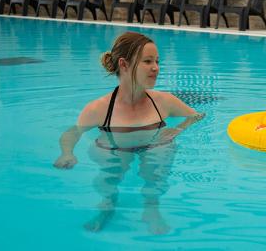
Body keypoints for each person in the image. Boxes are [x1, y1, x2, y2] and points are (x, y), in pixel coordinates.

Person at [53, 31, 204, 233]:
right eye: (147, 61)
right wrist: (67, 153)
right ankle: (108, 203)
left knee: (160, 153)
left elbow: (197, 116)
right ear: (124, 65)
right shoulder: (99, 108)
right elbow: (73, 133)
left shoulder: (163, 101)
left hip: (153, 146)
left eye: (157, 61)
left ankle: (151, 209)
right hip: (116, 147)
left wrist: (176, 130)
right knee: (111, 163)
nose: (156, 68)